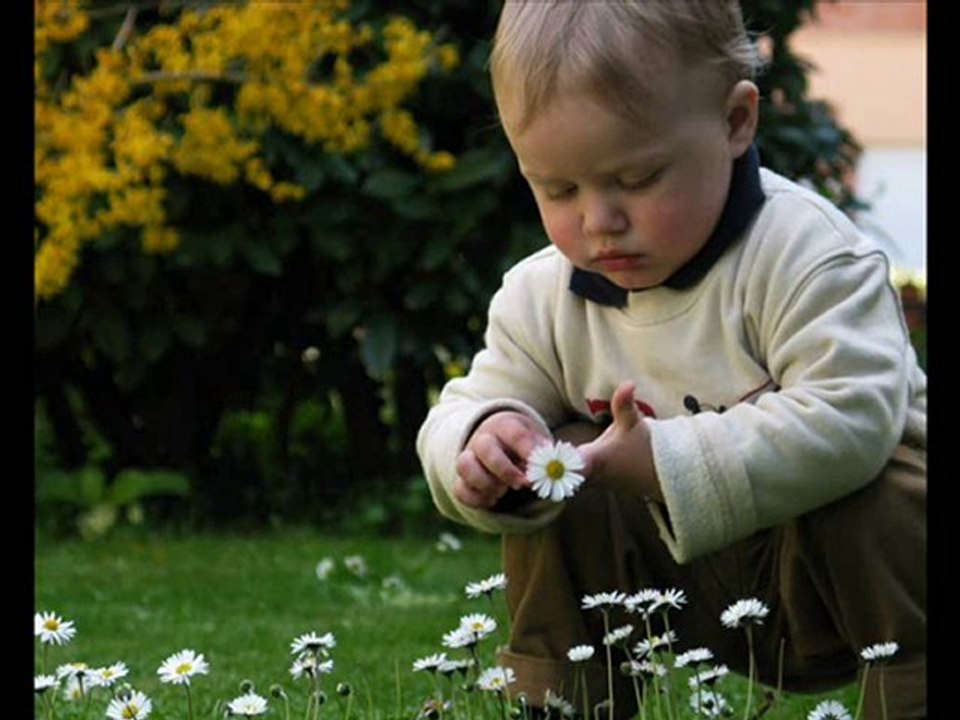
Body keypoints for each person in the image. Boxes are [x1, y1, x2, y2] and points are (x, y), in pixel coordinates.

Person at [416, 2, 927, 718]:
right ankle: (566, 703)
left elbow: (854, 416)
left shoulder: (808, 257)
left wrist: (666, 460)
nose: (599, 220)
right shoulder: (543, 295)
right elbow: (467, 401)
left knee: (883, 486)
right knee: (558, 462)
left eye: (638, 178)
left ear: (734, 122)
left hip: (835, 579)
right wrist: (483, 444)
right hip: (668, 586)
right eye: (559, 189)